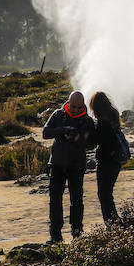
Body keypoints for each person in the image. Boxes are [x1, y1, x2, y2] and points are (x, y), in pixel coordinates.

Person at [43, 91, 95, 242]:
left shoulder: (87, 121)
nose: (75, 110)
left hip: (77, 166)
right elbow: (45, 133)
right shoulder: (58, 115)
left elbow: (92, 143)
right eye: (73, 106)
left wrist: (80, 140)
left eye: (79, 107)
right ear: (68, 102)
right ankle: (55, 234)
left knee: (77, 200)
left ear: (83, 105)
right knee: (55, 199)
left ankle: (77, 232)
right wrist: (63, 130)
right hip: (57, 165)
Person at [89, 91, 123, 223]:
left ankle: (111, 223)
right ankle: (114, 221)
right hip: (116, 160)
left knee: (104, 195)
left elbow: (97, 141)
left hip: (106, 161)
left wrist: (87, 137)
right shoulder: (113, 116)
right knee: (108, 193)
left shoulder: (102, 122)